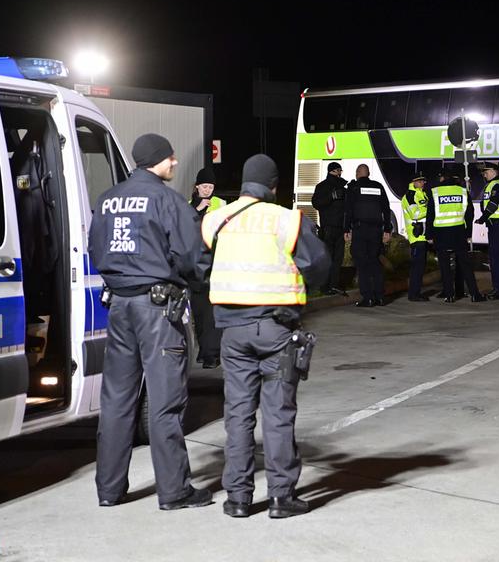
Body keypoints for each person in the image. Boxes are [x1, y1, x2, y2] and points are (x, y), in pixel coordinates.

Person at [87, 133, 212, 511]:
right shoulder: (167, 201)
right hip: (157, 310)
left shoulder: (107, 200)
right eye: (170, 158)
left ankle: (109, 490)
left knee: (117, 401)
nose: (175, 162)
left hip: (120, 307)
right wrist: (197, 283)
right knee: (165, 402)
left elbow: (95, 249)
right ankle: (174, 491)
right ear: (156, 161)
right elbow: (193, 258)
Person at [202, 154, 329, 519]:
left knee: (238, 414)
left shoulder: (217, 220)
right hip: (276, 330)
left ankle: (238, 499)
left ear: (243, 183)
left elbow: (197, 265)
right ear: (274, 186)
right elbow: (319, 265)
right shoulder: (286, 220)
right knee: (277, 413)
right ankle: (280, 497)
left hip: (232, 331)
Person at [427, 167, 486, 303]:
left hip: (441, 234)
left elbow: (430, 215)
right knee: (466, 265)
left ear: (442, 178)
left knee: (445, 265)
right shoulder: (463, 192)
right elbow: (470, 214)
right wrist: (468, 233)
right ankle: (474, 294)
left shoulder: (435, 192)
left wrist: (429, 235)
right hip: (459, 233)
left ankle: (449, 295)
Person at [188, 167, 227, 369]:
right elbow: (183, 230)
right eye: (204, 186)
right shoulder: (187, 206)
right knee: (199, 313)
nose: (207, 190)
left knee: (212, 312)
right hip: (194, 266)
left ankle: (213, 355)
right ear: (196, 187)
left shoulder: (221, 204)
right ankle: (204, 351)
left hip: (215, 264)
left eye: (210, 187)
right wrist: (198, 210)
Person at [344, 164, 393, 307]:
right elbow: (386, 209)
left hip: (360, 230)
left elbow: (348, 210)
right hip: (376, 231)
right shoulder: (378, 186)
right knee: (375, 262)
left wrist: (346, 229)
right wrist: (387, 230)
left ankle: (368, 298)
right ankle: (380, 297)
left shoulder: (354, 188)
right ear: (369, 173)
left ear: (358, 173)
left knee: (362, 263)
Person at [311, 161, 348, 295]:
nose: (340, 173)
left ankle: (332, 285)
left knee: (337, 258)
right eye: (338, 171)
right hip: (329, 228)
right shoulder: (323, 186)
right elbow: (316, 203)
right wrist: (331, 197)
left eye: (340, 171)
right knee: (330, 258)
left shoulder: (343, 187)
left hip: (338, 228)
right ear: (333, 171)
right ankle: (325, 286)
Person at [476, 161, 499, 299]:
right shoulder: (492, 185)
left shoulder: (497, 186)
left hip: (498, 225)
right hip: (494, 225)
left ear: (494, 171)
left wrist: (483, 218)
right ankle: (497, 288)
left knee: (497, 258)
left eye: (487, 171)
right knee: (494, 257)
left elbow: (493, 204)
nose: (485, 174)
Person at [401, 173, 430, 302]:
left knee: (420, 267)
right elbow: (415, 214)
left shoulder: (422, 194)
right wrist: (430, 210)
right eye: (420, 181)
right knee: (417, 267)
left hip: (423, 236)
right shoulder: (410, 196)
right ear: (414, 182)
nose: (423, 183)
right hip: (416, 237)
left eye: (424, 180)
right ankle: (413, 294)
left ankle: (416, 292)